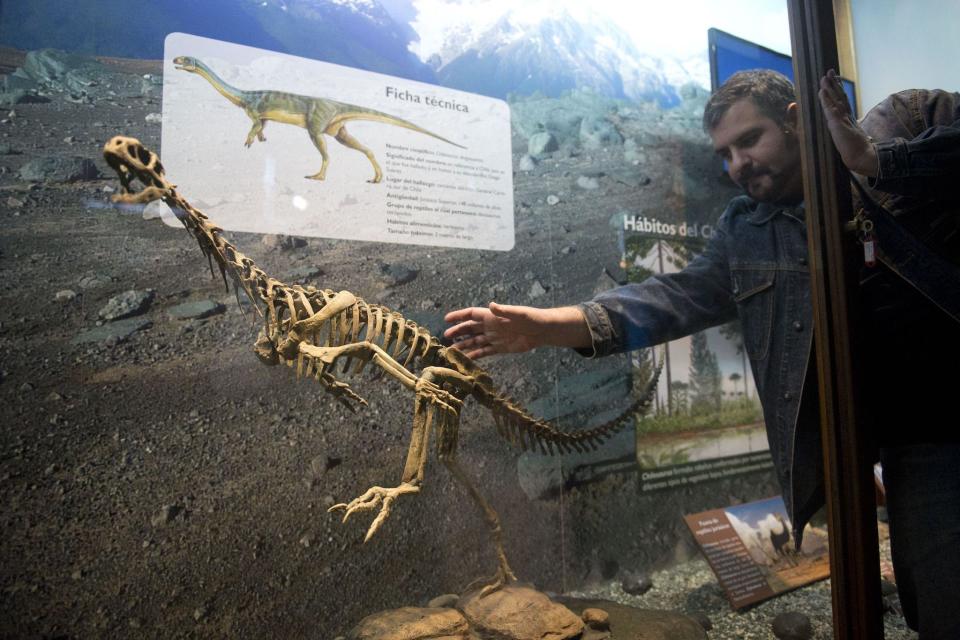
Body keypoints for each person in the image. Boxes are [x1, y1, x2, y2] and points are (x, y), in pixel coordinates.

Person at [444, 69, 960, 638]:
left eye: (749, 140)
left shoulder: (911, 119)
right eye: (725, 153)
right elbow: (673, 299)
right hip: (924, 445)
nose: (737, 164)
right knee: (943, 605)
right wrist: (548, 326)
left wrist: (874, 161)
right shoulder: (750, 231)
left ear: (795, 121)